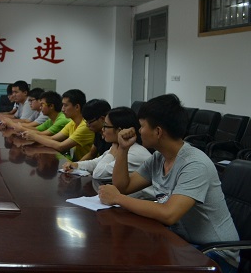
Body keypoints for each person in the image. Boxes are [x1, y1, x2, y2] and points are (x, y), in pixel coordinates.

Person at [98, 94, 239, 272]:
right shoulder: (159, 158)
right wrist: (123, 149)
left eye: (142, 126)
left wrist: (117, 198)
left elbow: (169, 214)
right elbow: (123, 187)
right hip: (182, 243)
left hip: (215, 254)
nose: (138, 131)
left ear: (158, 132)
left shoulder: (195, 164)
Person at [62, 107, 153, 195]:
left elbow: (98, 174)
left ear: (119, 131)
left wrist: (111, 154)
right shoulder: (117, 146)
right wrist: (77, 165)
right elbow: (97, 162)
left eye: (105, 126)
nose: (102, 129)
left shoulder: (134, 153)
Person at [22, 89, 94, 161]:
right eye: (62, 105)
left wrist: (35, 137)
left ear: (77, 107)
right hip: (77, 162)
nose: (62, 109)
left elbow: (61, 146)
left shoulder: (85, 126)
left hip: (86, 165)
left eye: (65, 105)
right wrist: (33, 137)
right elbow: (53, 138)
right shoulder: (72, 123)